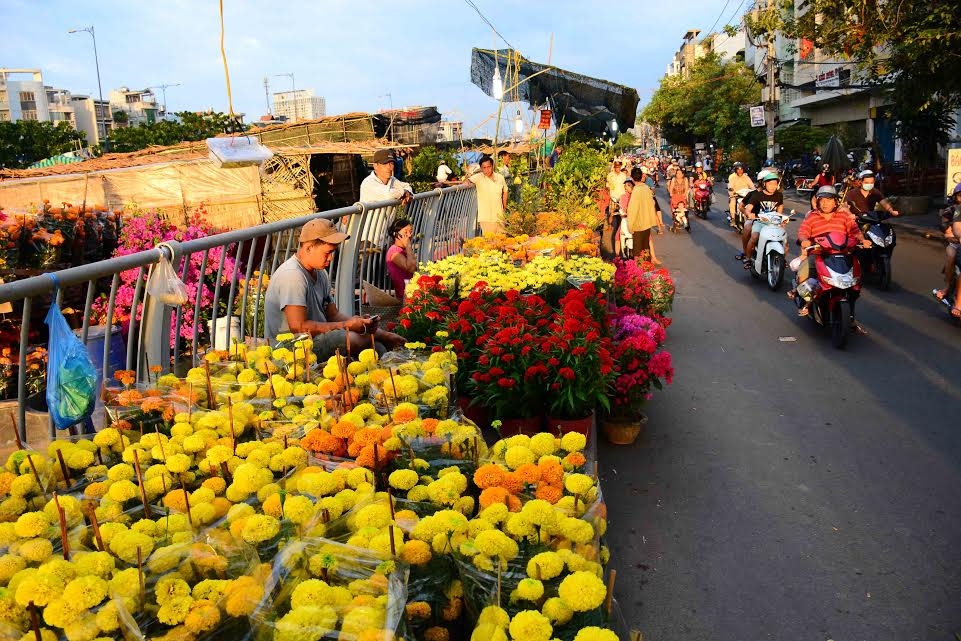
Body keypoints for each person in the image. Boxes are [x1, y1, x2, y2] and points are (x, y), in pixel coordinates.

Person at [264, 218, 406, 358]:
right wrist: (347, 325)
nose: (331, 258)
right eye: (327, 253)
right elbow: (298, 327)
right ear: (308, 248)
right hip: (291, 347)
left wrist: (359, 323)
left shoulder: (320, 272)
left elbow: (333, 315)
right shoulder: (293, 275)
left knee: (377, 347)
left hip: (313, 338)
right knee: (357, 340)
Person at [791, 186, 871, 329]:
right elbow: (803, 231)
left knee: (855, 280)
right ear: (818, 201)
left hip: (843, 254)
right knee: (804, 276)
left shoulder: (844, 216)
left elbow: (854, 230)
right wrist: (804, 240)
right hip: (818, 255)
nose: (825, 203)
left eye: (829, 200)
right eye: (822, 200)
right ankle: (805, 302)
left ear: (836, 202)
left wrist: (862, 240)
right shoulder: (812, 216)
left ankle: (850, 315)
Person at [359, 149, 413, 245]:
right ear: (375, 166)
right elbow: (389, 194)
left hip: (385, 238)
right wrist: (403, 192)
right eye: (385, 164)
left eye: (391, 164)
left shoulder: (393, 180)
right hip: (369, 238)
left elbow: (407, 186)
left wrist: (407, 191)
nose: (389, 167)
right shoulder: (368, 182)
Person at [736, 169, 784, 268]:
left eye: (774, 183)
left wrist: (781, 219)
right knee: (748, 228)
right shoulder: (753, 194)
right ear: (763, 182)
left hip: (771, 220)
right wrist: (749, 214)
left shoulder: (778, 195)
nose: (772, 185)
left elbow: (780, 209)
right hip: (756, 219)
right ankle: (746, 253)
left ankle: (780, 259)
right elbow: (742, 206)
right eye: (768, 182)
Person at [934, 183, 961, 316]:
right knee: (952, 256)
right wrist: (952, 236)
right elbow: (946, 228)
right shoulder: (951, 210)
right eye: (960, 195)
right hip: (956, 243)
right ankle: (947, 287)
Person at [465, 155, 509, 235]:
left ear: (493, 166)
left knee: (502, 242)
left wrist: (504, 207)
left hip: (500, 216)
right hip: (486, 218)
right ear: (481, 169)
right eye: (484, 168)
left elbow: (505, 191)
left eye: (489, 167)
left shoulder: (500, 177)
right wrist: (467, 181)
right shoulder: (478, 177)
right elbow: (467, 180)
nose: (487, 170)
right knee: (489, 243)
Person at [625, 167, 660, 258]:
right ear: (641, 177)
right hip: (647, 223)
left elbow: (632, 210)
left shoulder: (636, 191)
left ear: (632, 178)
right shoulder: (646, 188)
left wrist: (630, 225)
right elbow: (652, 203)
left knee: (637, 250)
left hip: (638, 224)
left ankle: (638, 270)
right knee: (646, 248)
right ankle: (647, 269)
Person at [385, 217, 417, 302]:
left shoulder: (403, 250)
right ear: (396, 235)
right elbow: (411, 268)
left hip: (410, 293)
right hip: (404, 297)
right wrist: (408, 245)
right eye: (405, 232)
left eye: (410, 231)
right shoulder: (394, 251)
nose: (409, 235)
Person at [727, 162, 755, 228]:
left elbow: (751, 185)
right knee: (732, 202)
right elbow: (730, 186)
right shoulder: (733, 178)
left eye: (741, 169)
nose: (740, 171)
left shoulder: (746, 177)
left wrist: (754, 190)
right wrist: (731, 190)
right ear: (736, 170)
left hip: (745, 195)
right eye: (738, 169)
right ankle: (733, 219)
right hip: (736, 195)